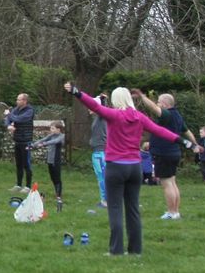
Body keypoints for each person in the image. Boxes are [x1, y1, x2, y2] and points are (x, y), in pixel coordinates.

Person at [65, 82, 180, 256]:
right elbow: (158, 130)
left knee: (116, 209)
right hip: (135, 168)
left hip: (116, 167)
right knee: (133, 210)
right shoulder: (139, 116)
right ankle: (135, 250)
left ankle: (116, 250)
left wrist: (76, 92)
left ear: (115, 100)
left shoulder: (113, 115)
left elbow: (94, 105)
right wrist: (182, 141)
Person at [133, 91, 198, 219]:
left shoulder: (167, 115)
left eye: (158, 102)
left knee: (166, 183)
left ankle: (171, 212)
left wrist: (142, 97)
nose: (157, 104)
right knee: (172, 182)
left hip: (164, 153)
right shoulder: (178, 116)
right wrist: (195, 144)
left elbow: (153, 108)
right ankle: (176, 212)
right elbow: (187, 132)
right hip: (174, 152)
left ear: (164, 104)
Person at [31, 120, 67, 208]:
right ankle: (57, 192)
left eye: (53, 128)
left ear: (58, 129)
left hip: (56, 161)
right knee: (52, 177)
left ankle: (59, 195)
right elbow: (43, 139)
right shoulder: (51, 135)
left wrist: (43, 144)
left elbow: (54, 142)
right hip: (50, 161)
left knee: (57, 178)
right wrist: (33, 145)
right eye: (51, 128)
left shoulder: (62, 136)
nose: (51, 130)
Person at [4, 93, 35, 193]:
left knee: (27, 164)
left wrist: (9, 114)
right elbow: (8, 119)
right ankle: (18, 185)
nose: (17, 101)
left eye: (19, 100)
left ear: (24, 101)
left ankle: (28, 186)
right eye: (17, 99)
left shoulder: (29, 111)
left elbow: (18, 119)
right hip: (17, 140)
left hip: (26, 141)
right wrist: (8, 125)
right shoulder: (16, 109)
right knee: (19, 164)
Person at [89, 93, 109, 208]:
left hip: (100, 153)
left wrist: (103, 100)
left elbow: (103, 109)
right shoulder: (97, 118)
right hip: (97, 152)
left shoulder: (101, 117)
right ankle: (104, 199)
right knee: (100, 177)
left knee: (103, 178)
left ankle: (105, 201)